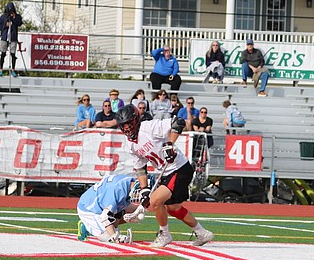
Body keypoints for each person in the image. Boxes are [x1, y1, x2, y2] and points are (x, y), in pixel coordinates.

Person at [115, 104, 214, 248]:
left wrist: (169, 144)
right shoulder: (129, 144)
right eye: (124, 126)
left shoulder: (148, 127)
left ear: (136, 120)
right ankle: (202, 232)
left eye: (129, 124)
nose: (127, 128)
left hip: (179, 168)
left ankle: (164, 234)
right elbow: (141, 167)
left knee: (155, 201)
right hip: (167, 172)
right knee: (172, 208)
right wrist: (144, 189)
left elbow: (178, 122)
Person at [76, 174, 146, 243]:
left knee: (135, 211)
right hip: (89, 209)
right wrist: (114, 236)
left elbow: (119, 207)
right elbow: (105, 216)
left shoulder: (128, 183)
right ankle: (86, 225)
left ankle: (93, 225)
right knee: (108, 237)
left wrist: (134, 214)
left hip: (101, 204)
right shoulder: (117, 190)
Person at [0, 2, 23, 77]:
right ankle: (1, 69)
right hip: (4, 37)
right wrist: (5, 25)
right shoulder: (3, 16)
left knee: (13, 54)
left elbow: (20, 23)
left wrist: (14, 17)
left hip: (13, 38)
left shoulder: (17, 16)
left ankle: (13, 70)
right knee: (3, 53)